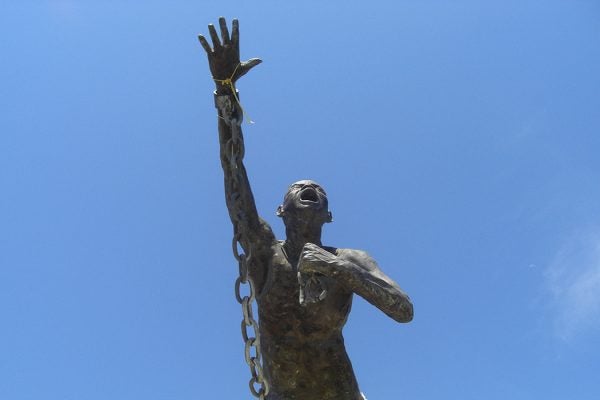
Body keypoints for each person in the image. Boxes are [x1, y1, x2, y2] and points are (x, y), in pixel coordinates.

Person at [199, 18, 413, 400]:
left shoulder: (351, 259)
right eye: (298, 188)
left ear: (328, 215)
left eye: (318, 190)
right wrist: (225, 92)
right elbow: (233, 174)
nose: (310, 188)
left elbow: (403, 310)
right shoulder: (266, 250)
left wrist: (340, 269)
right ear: (281, 210)